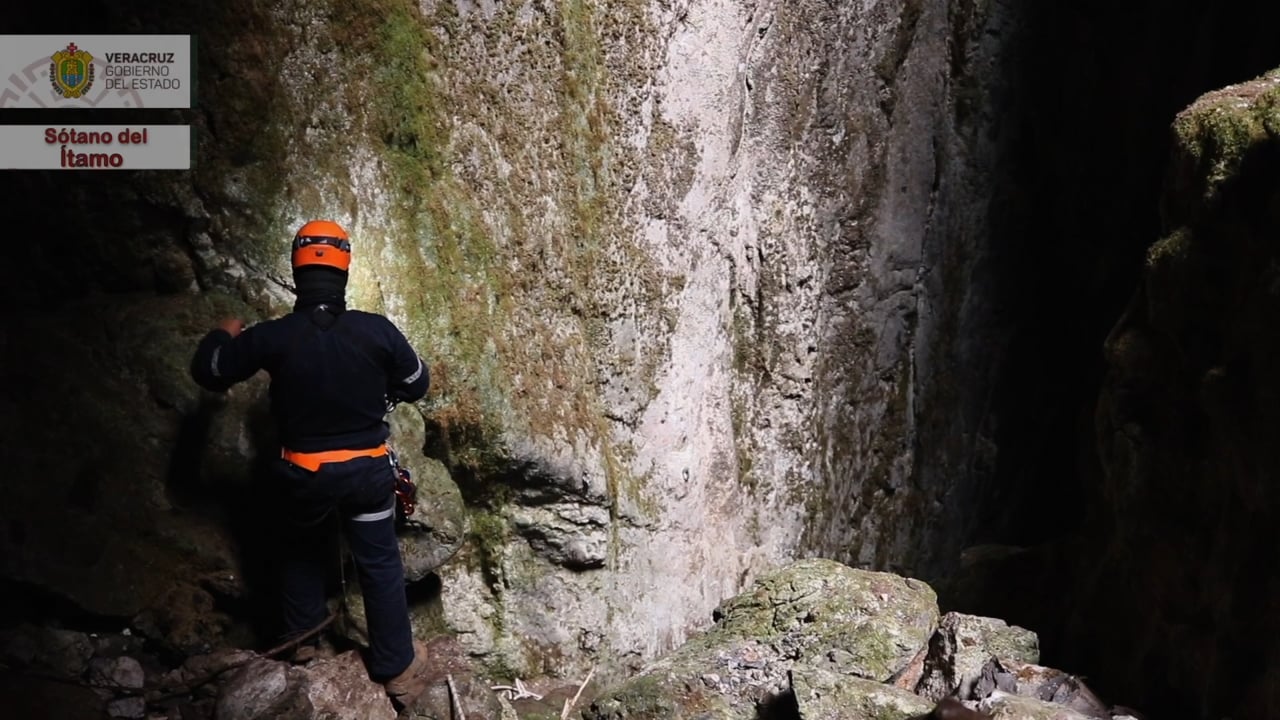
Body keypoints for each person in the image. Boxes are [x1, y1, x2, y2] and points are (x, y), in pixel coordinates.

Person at [189, 219, 432, 708]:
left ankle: (303, 645)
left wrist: (223, 333)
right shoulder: (376, 330)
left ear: (297, 270)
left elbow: (209, 372)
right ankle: (397, 670)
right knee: (380, 564)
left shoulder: (272, 337)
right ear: (344, 268)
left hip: (304, 476)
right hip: (367, 473)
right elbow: (417, 382)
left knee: (299, 549)